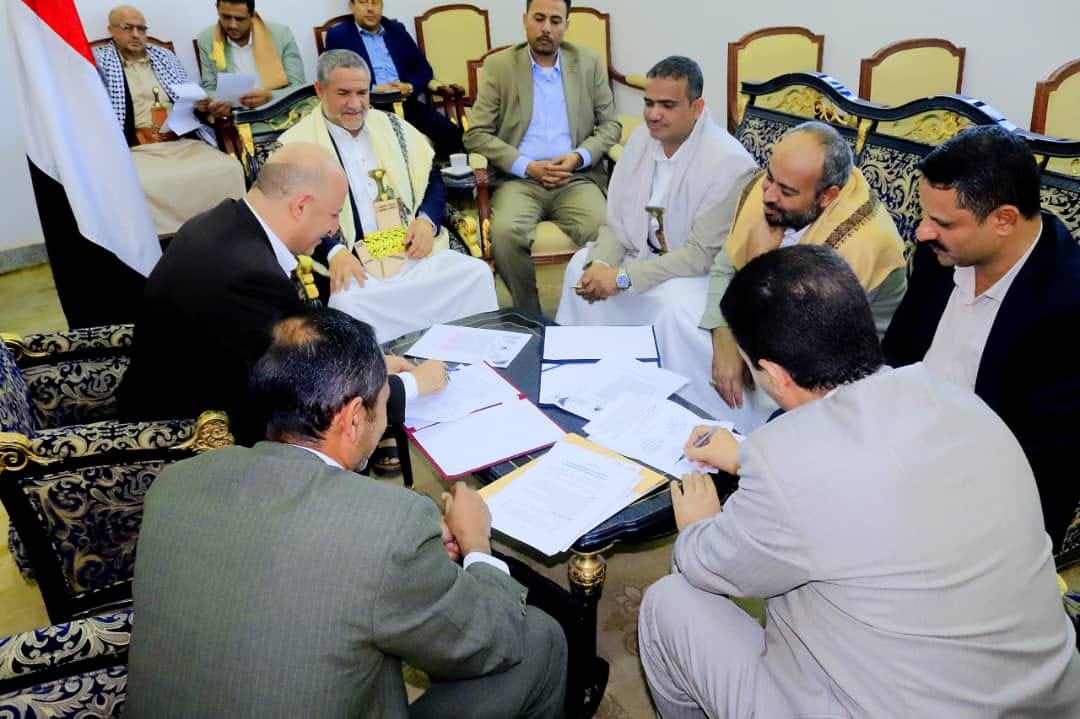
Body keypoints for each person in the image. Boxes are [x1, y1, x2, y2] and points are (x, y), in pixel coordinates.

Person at [638, 245, 1080, 718]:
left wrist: (699, 526)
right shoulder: (965, 405)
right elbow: (873, 473)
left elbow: (708, 566)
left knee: (668, 602)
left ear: (774, 374)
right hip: (1046, 701)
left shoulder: (788, 463)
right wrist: (747, 457)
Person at [125, 306, 567, 718]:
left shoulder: (175, 484)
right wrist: (477, 544)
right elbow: (492, 641)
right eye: (383, 403)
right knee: (539, 637)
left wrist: (404, 553)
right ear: (354, 418)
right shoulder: (391, 528)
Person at [118, 142, 446, 445]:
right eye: (333, 214)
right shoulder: (250, 276)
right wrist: (412, 386)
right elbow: (304, 391)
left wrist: (372, 367)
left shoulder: (223, 220)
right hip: (190, 436)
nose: (333, 229)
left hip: (184, 392)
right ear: (301, 206)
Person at [883, 125, 1080, 551]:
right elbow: (895, 357)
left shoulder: (1068, 304)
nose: (922, 232)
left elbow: (1042, 462)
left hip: (990, 505)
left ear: (1004, 220)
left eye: (942, 222)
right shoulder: (940, 255)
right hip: (902, 457)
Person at [555, 56, 756, 397]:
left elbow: (698, 257)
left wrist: (622, 278)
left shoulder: (729, 162)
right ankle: (587, 380)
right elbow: (617, 222)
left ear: (696, 107)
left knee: (672, 306)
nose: (653, 114)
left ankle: (664, 398)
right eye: (649, 103)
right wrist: (601, 264)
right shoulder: (641, 140)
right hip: (644, 258)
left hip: (696, 276)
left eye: (667, 105)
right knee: (580, 267)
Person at [278, 50, 497, 343]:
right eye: (343, 93)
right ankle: (390, 369)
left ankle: (471, 356)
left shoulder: (394, 127)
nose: (355, 104)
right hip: (354, 259)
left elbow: (430, 177)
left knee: (476, 274)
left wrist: (426, 221)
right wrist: (332, 251)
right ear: (320, 90)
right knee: (347, 305)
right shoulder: (295, 146)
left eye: (362, 93)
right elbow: (294, 215)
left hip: (410, 249)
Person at [699, 121, 906, 431]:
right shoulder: (770, 193)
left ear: (827, 196)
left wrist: (760, 261)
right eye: (770, 178)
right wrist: (724, 335)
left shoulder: (861, 243)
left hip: (830, 373)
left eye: (786, 191)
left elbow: (796, 337)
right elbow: (722, 267)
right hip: (770, 329)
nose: (768, 195)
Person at [463, 0, 621, 314]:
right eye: (539, 18)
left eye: (555, 20)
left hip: (575, 178)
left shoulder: (588, 63)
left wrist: (578, 157)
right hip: (519, 179)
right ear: (525, 20)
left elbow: (611, 126)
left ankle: (588, 313)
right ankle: (530, 317)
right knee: (504, 233)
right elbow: (476, 133)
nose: (546, 28)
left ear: (566, 25)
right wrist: (526, 166)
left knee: (608, 229)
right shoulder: (500, 66)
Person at [93, 5, 245, 235]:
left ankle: (225, 234)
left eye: (141, 29)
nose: (136, 34)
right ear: (111, 30)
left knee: (229, 168)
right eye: (127, 28)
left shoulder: (165, 57)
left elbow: (189, 97)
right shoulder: (99, 61)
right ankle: (166, 243)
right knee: (140, 184)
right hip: (136, 149)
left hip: (180, 142)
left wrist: (203, 105)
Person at [323, 0, 464, 159]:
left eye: (375, 3)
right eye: (363, 2)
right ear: (352, 6)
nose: (370, 9)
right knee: (393, 150)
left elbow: (424, 69)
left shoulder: (397, 30)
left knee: (451, 134)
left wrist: (409, 86)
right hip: (368, 108)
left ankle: (433, 171)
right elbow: (334, 78)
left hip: (405, 102)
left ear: (382, 5)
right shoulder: (339, 35)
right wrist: (372, 89)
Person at [195, 0, 306, 109]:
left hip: (279, 109)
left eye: (240, 19)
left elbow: (298, 86)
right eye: (226, 17)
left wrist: (270, 96)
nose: (232, 25)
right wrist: (212, 103)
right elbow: (209, 88)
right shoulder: (207, 39)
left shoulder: (281, 35)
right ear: (217, 9)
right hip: (236, 113)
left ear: (252, 15)